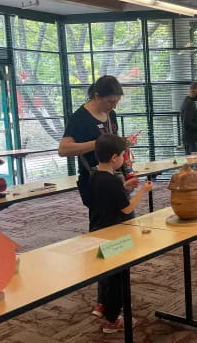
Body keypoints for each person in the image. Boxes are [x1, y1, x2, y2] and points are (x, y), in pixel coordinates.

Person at [90, 134, 153, 333]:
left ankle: (105, 306)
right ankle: (113, 318)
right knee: (119, 277)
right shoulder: (112, 180)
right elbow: (126, 209)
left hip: (98, 230)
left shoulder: (94, 175)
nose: (124, 160)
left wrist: (124, 187)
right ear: (114, 158)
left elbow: (106, 199)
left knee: (107, 274)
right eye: (122, 156)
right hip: (115, 234)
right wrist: (143, 190)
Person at [58, 75, 139, 208]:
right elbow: (63, 149)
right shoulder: (80, 118)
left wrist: (122, 143)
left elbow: (114, 144)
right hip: (94, 179)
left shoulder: (110, 114)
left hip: (114, 177)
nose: (114, 106)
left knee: (124, 216)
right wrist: (99, 143)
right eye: (110, 102)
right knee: (104, 221)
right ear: (97, 96)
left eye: (116, 102)